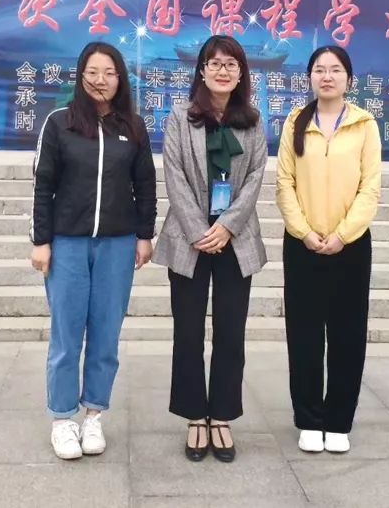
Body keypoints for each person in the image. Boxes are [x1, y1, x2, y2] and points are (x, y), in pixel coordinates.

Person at [30, 41, 157, 460]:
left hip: (118, 245)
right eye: (92, 72)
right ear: (80, 75)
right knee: (66, 335)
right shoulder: (59, 123)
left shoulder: (133, 127)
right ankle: (63, 419)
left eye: (109, 73)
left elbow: (145, 184)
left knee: (105, 335)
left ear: (120, 79)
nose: (100, 80)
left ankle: (94, 415)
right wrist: (41, 241)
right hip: (67, 243)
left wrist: (144, 235)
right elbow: (43, 185)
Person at [154, 35, 268, 463]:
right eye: (215, 63)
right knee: (187, 333)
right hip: (190, 240)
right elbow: (174, 175)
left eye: (231, 64)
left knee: (230, 333)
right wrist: (200, 229)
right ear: (202, 70)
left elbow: (256, 176)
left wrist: (227, 226)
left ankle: (221, 416)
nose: (223, 70)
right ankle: (193, 417)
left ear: (241, 74)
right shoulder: (180, 118)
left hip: (236, 241)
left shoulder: (252, 121)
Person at [275, 45, 382, 455]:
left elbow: (370, 188)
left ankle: (338, 421)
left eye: (335, 70)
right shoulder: (295, 122)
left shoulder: (365, 125)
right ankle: (308, 419)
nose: (327, 76)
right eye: (319, 70)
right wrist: (303, 231)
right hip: (302, 244)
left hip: (350, 246)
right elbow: (284, 182)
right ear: (309, 78)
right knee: (303, 334)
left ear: (348, 79)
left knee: (347, 334)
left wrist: (343, 234)